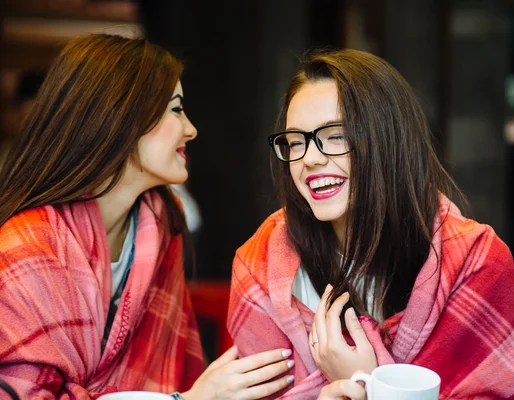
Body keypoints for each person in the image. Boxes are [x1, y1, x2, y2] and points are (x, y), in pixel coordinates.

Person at [227, 49, 514, 399]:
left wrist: (366, 382)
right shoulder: (259, 266)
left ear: (388, 139)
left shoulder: (475, 264)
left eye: (335, 136)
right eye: (295, 142)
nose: (310, 158)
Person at [0, 34, 294, 399]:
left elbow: (175, 373)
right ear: (122, 116)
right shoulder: (25, 251)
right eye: (176, 109)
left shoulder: (158, 227)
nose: (191, 128)